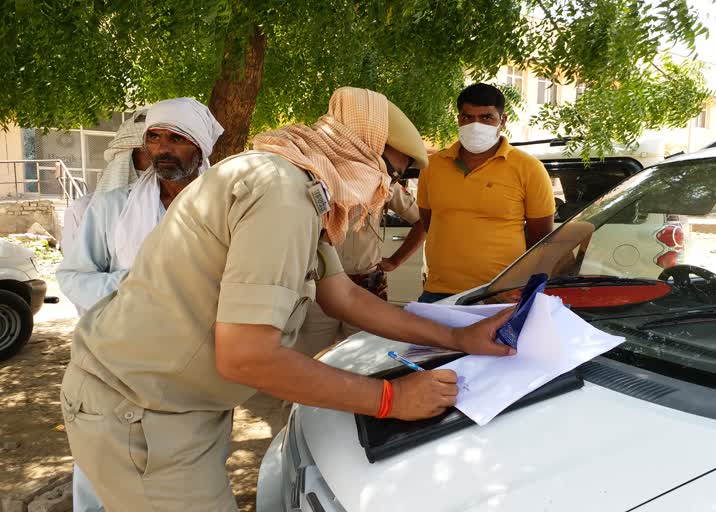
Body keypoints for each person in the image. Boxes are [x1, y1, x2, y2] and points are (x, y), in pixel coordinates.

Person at [59, 87, 515, 511]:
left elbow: (343, 298)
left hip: (177, 403)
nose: (385, 186)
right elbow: (247, 358)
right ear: (357, 151)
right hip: (140, 411)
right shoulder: (278, 193)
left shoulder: (302, 187)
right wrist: (390, 399)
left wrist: (459, 335)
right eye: (390, 170)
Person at [56, 97, 223, 512]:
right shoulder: (112, 209)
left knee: (188, 480)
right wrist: (137, 286)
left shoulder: (224, 213)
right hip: (113, 370)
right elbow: (72, 277)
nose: (163, 148)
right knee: (99, 478)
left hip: (192, 377)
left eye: (176, 139)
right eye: (155, 137)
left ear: (200, 147)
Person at [417, 83, 556, 303]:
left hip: (500, 294)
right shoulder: (432, 166)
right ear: (458, 119)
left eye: (486, 117)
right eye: (467, 117)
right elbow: (430, 223)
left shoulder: (528, 168)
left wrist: (513, 287)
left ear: (503, 121)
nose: (475, 125)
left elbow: (541, 239)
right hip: (438, 291)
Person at [297, 167, 427, 356]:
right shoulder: (316, 175)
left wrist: (395, 261)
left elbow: (422, 221)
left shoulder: (382, 181)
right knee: (311, 356)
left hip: (366, 285)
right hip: (320, 285)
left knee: (367, 356)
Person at [60, 109, 152, 255]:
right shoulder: (82, 211)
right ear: (126, 158)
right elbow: (77, 274)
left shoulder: (181, 209)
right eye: (151, 154)